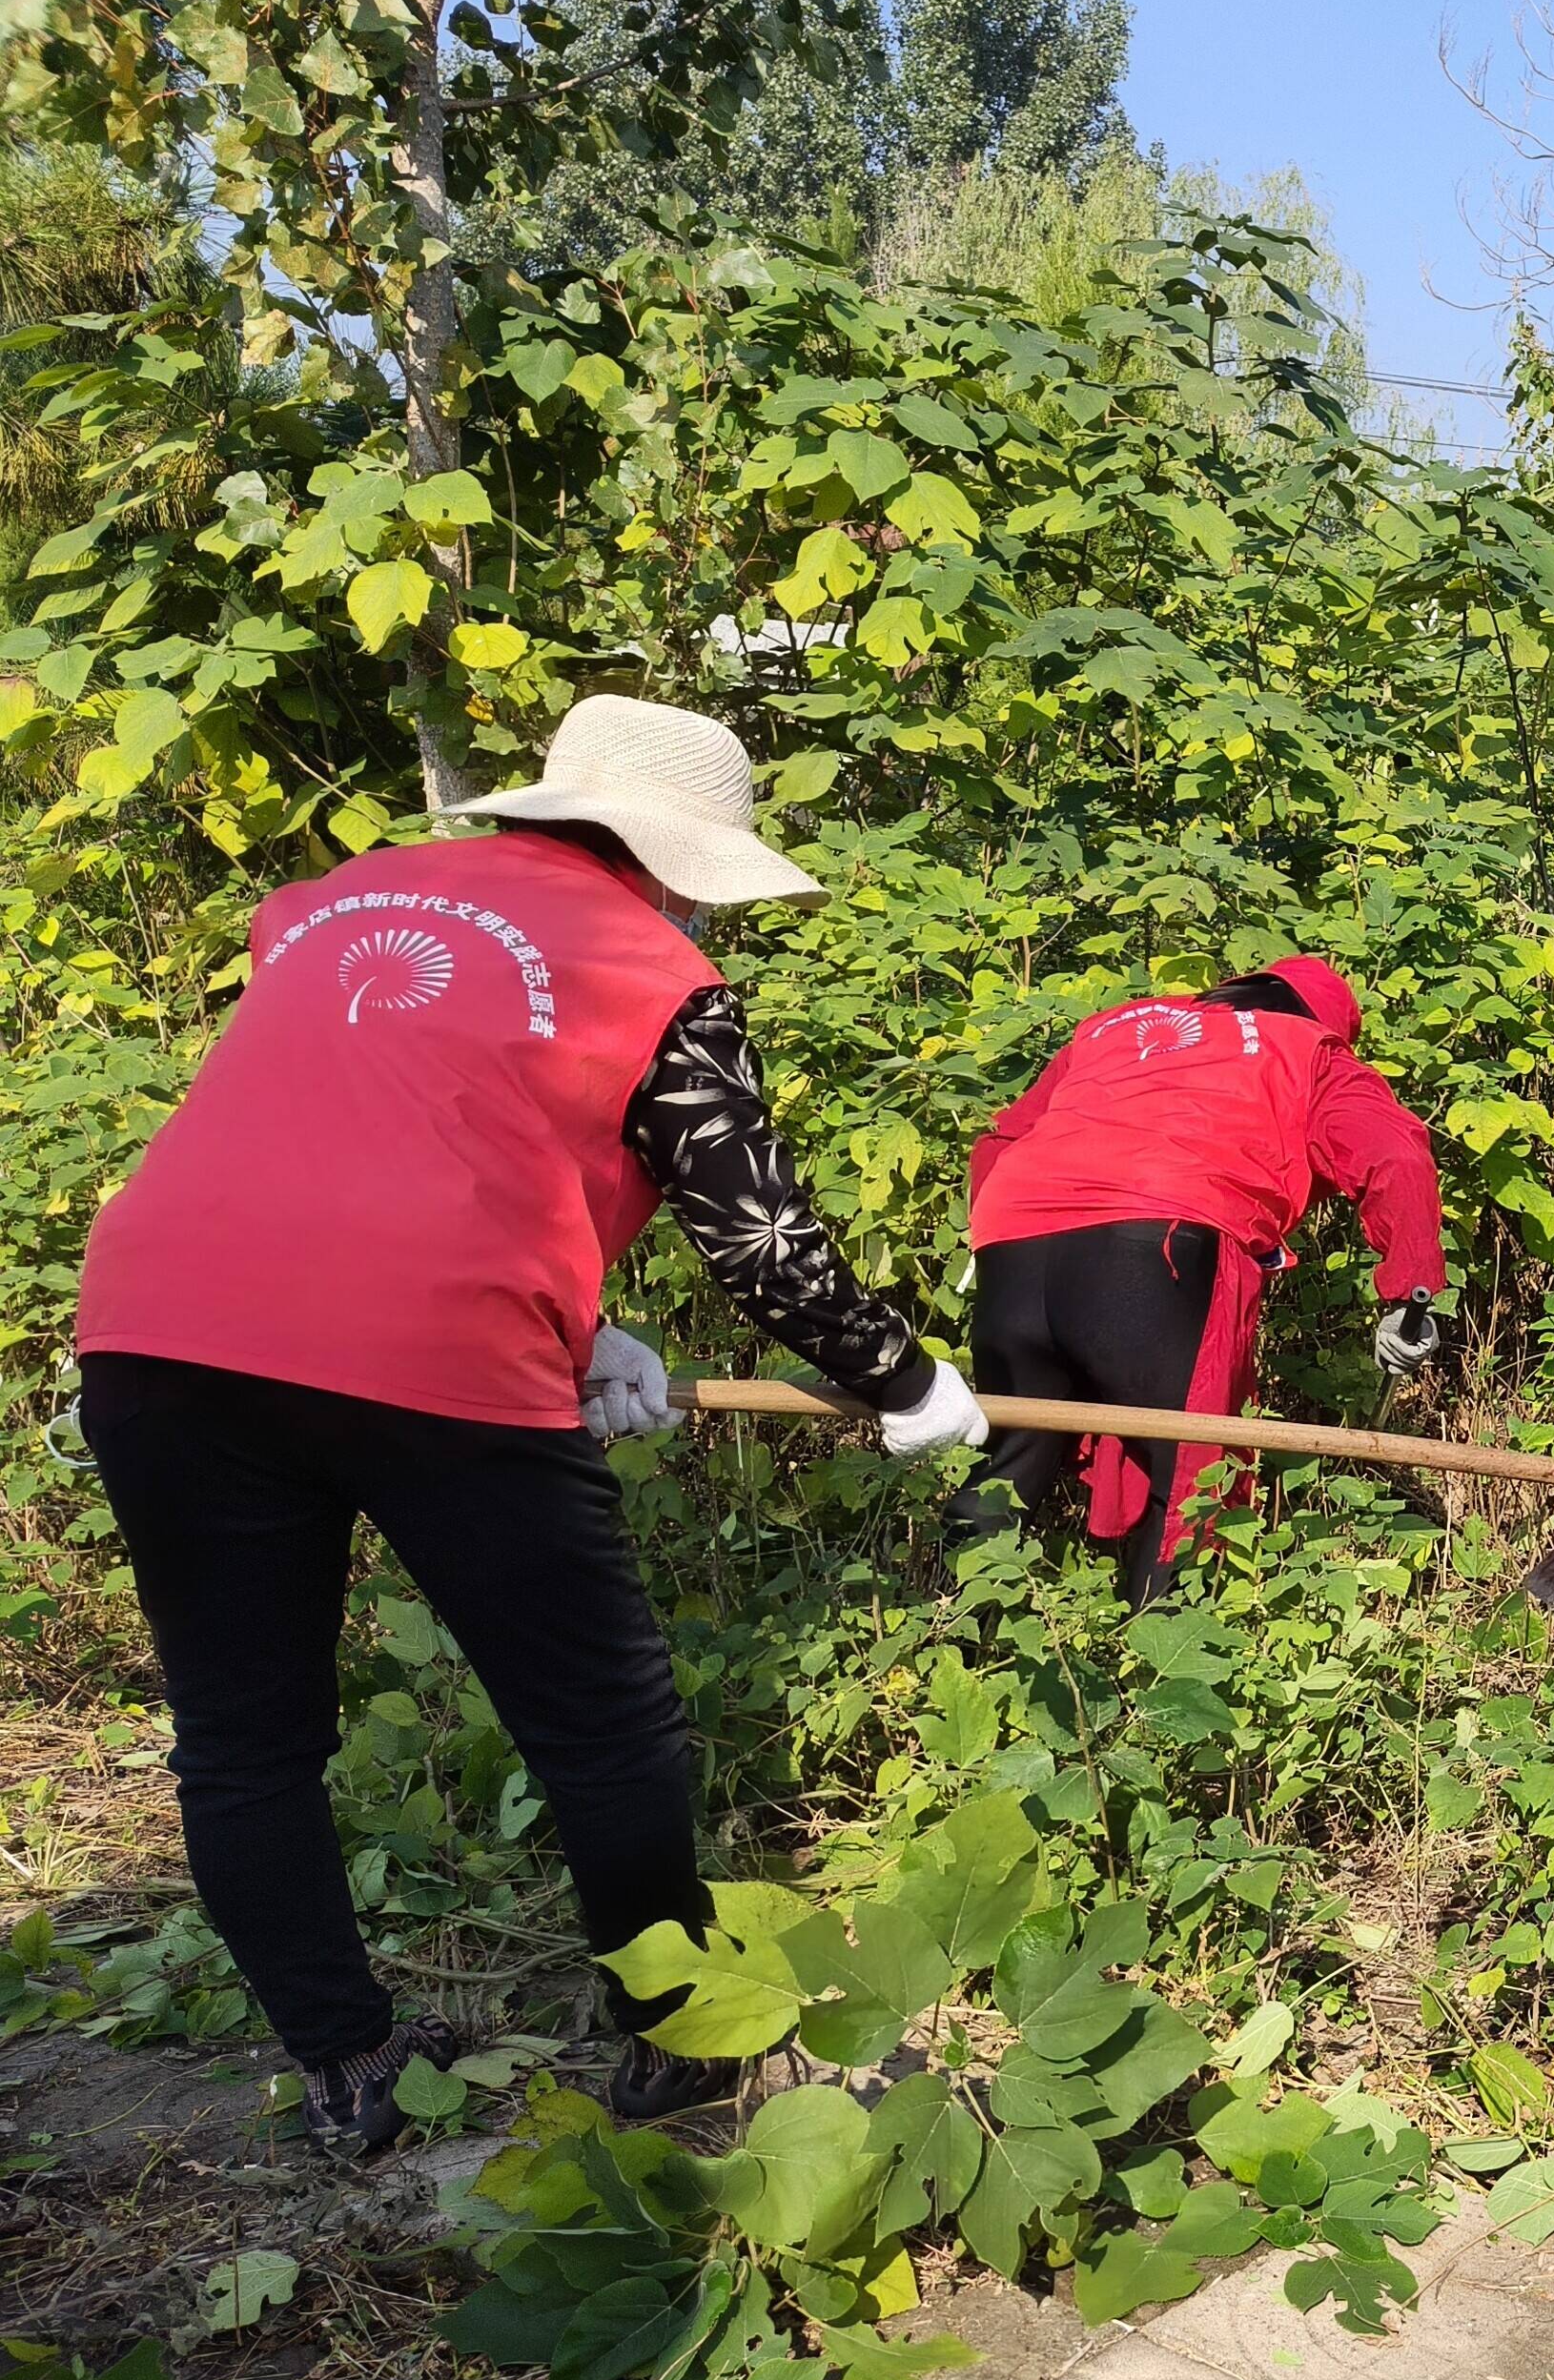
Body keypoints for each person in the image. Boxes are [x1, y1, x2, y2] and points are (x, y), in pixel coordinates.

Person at [72, 695, 990, 2160]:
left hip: (156, 1325)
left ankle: (351, 2066)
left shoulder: (325, 905)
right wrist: (902, 1380)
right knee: (599, 1722)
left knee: (246, 1745)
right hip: (429, 1340)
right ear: (681, 863)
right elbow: (754, 1239)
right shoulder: (656, 964)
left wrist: (578, 1320)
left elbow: (378, 1120)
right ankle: (677, 2042)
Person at [952, 955, 1449, 1604]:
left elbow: (998, 1141)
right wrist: (1408, 1290)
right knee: (1190, 1478)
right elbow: (1394, 1154)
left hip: (1011, 1233)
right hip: (1157, 1237)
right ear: (1323, 1020)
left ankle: (943, 1651)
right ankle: (1155, 1688)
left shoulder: (1112, 1025)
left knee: (1012, 1461)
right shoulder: (1309, 1048)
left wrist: (1006, 1241)